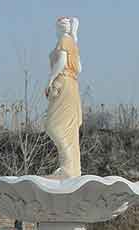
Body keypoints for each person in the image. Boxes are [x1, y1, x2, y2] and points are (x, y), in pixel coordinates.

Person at [45, 16, 83, 178]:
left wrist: (50, 79)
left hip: (63, 83)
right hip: (71, 85)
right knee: (68, 128)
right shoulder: (71, 42)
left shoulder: (64, 40)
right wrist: (75, 35)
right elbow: (79, 68)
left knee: (55, 126)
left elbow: (61, 62)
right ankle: (70, 167)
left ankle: (68, 168)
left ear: (59, 28)